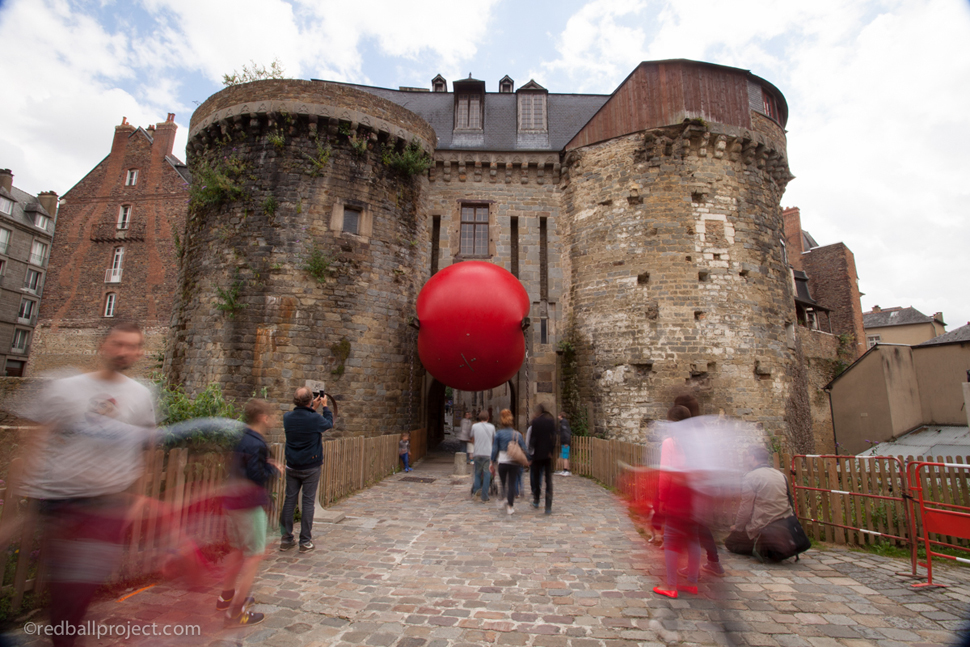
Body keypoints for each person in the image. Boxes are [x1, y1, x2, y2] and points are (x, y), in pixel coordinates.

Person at [17, 322, 157, 646]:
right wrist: (23, 496)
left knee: (81, 588)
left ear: (139, 352)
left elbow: (146, 447)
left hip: (106, 505)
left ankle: (65, 634)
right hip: (60, 502)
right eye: (117, 344)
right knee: (67, 590)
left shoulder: (141, 395)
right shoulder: (64, 387)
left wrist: (139, 496)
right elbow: (36, 440)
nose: (123, 351)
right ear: (103, 345)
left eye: (131, 346)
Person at [218, 399, 280, 627]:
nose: (272, 419)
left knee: (237, 549)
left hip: (232, 502)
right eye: (271, 415)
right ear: (263, 418)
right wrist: (274, 468)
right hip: (248, 504)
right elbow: (256, 476)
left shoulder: (240, 437)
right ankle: (236, 610)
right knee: (254, 556)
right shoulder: (257, 443)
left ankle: (226, 597)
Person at [673, 394, 725, 577]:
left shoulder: (689, 431)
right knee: (699, 527)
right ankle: (710, 561)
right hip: (705, 484)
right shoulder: (702, 427)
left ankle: (699, 566)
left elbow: (690, 460)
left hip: (696, 486)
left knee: (695, 528)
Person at [653, 405, 700, 599]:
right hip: (694, 493)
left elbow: (666, 472)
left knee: (671, 538)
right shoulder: (696, 442)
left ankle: (671, 585)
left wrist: (662, 498)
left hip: (677, 492)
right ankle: (692, 582)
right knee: (692, 538)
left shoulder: (671, 442)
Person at [280, 387, 333, 552]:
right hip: (310, 465)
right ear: (310, 400)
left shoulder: (287, 417)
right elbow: (329, 424)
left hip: (292, 465)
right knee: (308, 502)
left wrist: (312, 409)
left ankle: (286, 538)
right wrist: (324, 406)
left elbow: (303, 418)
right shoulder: (314, 419)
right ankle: (305, 541)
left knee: (289, 501)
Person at [725, 446, 794, 556]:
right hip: (784, 524)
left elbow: (746, 509)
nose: (746, 459)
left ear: (753, 457)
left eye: (747, 456)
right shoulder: (780, 475)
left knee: (730, 542)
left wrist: (738, 527)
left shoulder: (751, 477)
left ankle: (762, 547)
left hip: (764, 525)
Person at [491, 409, 525, 515]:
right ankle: (510, 506)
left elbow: (494, 449)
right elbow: (524, 447)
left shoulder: (499, 434)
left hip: (502, 462)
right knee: (511, 484)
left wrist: (492, 461)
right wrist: (528, 458)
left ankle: (503, 498)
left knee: (503, 483)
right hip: (514, 462)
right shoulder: (517, 434)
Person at [528, 403, 556, 514]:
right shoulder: (550, 421)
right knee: (548, 480)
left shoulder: (535, 422)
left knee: (536, 477)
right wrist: (551, 451)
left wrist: (531, 451)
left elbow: (533, 438)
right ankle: (548, 505)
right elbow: (554, 437)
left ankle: (536, 498)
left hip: (537, 454)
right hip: (547, 455)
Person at [469, 410, 495, 502]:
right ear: (488, 418)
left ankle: (476, 492)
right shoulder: (492, 427)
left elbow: (471, 437)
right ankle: (484, 495)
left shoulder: (474, 426)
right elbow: (493, 439)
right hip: (487, 453)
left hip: (477, 453)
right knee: (487, 474)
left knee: (477, 473)